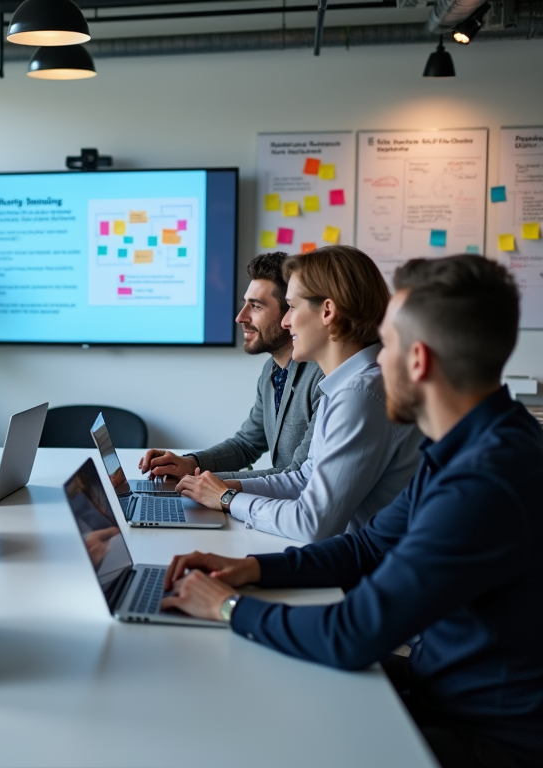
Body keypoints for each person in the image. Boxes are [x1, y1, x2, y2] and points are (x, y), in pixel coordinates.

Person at [160, 255, 543, 768]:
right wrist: (251, 569)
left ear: (418, 361)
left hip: (483, 734)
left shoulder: (482, 481)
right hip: (442, 683)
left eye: (388, 343)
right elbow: (367, 545)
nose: (376, 359)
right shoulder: (470, 442)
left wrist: (228, 607)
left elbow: (352, 635)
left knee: (262, 737)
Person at [176, 245, 421, 542]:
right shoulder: (344, 385)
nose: (285, 321)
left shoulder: (361, 393)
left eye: (292, 307)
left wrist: (227, 498)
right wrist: (219, 488)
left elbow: (312, 523)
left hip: (365, 569)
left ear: (328, 311)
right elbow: (304, 478)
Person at [139, 252, 324, 481]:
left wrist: (207, 484)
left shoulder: (322, 376)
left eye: (255, 306)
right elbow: (246, 445)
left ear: (290, 311)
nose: (240, 317)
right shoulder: (271, 371)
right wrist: (190, 463)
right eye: (244, 304)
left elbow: (296, 475)